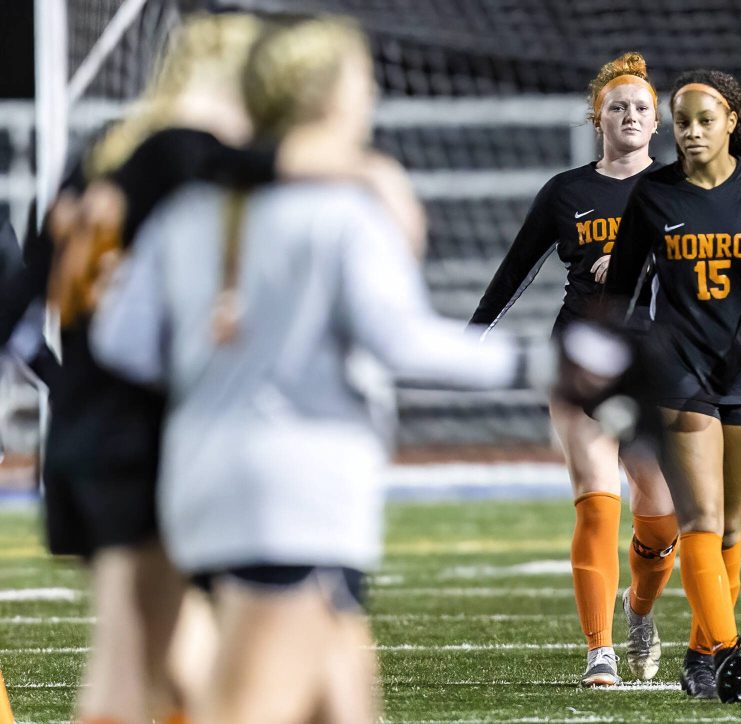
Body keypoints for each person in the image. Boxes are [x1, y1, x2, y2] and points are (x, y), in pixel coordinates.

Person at [90, 17, 535, 723]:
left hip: (202, 492)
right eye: (364, 79)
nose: (375, 92)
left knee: (344, 704)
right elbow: (404, 344)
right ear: (331, 99)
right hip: (298, 502)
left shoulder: (190, 212)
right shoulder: (341, 212)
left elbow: (123, 341)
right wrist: (541, 362)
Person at [37, 13, 264, 724]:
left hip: (81, 439)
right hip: (152, 442)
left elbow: (17, 312)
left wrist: (67, 388)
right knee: (165, 672)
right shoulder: (186, 158)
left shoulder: (101, 155)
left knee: (146, 665)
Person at [470, 52, 678, 686]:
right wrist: (471, 342)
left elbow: (704, 274)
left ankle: (639, 611)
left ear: (658, 119)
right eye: (618, 106)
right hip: (581, 362)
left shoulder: (681, 188)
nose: (631, 115)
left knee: (662, 514)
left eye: (642, 106)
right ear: (599, 117)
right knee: (596, 498)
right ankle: (600, 651)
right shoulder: (567, 191)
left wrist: (633, 262)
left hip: (654, 363)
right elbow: (515, 271)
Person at [604, 69, 741, 703]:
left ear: (730, 123)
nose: (690, 132)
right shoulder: (654, 195)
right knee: (699, 516)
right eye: (682, 121)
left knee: (728, 529)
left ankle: (699, 652)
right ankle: (725, 650)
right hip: (679, 372)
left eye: (703, 120)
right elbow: (619, 294)